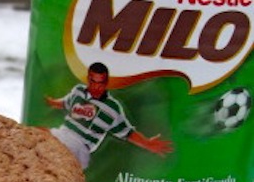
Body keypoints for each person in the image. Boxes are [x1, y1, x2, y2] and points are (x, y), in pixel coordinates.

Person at [45, 62, 173, 169]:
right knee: (35, 134)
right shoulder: (78, 91)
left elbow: (127, 132)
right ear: (88, 79)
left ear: (106, 83)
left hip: (79, 146)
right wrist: (49, 101)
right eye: (93, 81)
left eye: (100, 83)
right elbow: (64, 103)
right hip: (62, 133)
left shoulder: (111, 108)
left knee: (47, 149)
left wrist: (147, 143)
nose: (96, 87)